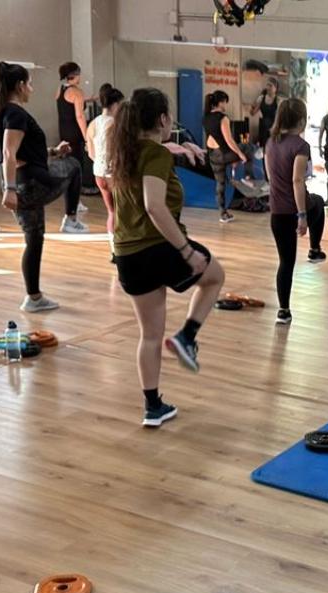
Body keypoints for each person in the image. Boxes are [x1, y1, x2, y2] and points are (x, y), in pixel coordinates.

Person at [109, 88, 227, 426]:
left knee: (149, 335)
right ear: (162, 119)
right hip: (158, 247)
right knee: (214, 275)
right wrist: (186, 251)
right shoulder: (155, 155)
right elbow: (154, 205)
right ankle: (187, 337)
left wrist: (178, 149)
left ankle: (152, 406)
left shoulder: (125, 153)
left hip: (127, 254)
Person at [0, 61, 88, 313]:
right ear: (20, 86)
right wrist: (8, 189)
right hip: (30, 183)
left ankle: (33, 297)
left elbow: (22, 152)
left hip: (25, 181)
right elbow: (9, 153)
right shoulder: (16, 113)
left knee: (34, 240)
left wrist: (53, 152)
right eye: (29, 83)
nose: (31, 89)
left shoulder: (7, 113)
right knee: (74, 165)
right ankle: (71, 219)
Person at [266, 98, 326, 325]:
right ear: (301, 120)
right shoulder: (301, 146)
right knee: (318, 203)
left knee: (286, 262)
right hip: (294, 209)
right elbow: (297, 180)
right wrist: (301, 215)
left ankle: (283, 311)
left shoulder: (270, 142)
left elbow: (271, 178)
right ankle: (314, 249)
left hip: (276, 213)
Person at [204, 90, 259, 224]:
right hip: (223, 154)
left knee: (220, 183)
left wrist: (235, 158)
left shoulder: (205, 117)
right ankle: (248, 176)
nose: (225, 105)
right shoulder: (223, 118)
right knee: (248, 147)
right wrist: (240, 156)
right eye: (225, 102)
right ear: (221, 102)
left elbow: (215, 137)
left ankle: (223, 214)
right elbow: (229, 141)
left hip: (212, 154)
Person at [87, 84, 124, 242]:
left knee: (111, 212)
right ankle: (123, 248)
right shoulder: (115, 124)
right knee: (122, 212)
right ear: (115, 104)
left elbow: (91, 153)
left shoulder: (93, 124)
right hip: (113, 173)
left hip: (98, 173)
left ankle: (113, 249)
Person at [57, 62, 97, 195]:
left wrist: (88, 99)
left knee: (68, 165)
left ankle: (70, 196)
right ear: (74, 75)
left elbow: (69, 103)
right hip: (75, 133)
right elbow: (80, 116)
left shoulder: (61, 89)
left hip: (64, 131)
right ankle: (76, 200)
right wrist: (87, 137)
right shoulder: (77, 92)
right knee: (77, 166)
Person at [249, 78, 281, 157]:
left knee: (273, 151)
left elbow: (279, 116)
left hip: (274, 128)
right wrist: (253, 105)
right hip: (263, 128)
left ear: (275, 88)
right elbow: (252, 113)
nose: (268, 87)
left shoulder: (278, 100)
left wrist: (274, 127)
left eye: (271, 85)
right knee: (264, 151)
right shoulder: (261, 98)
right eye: (267, 85)